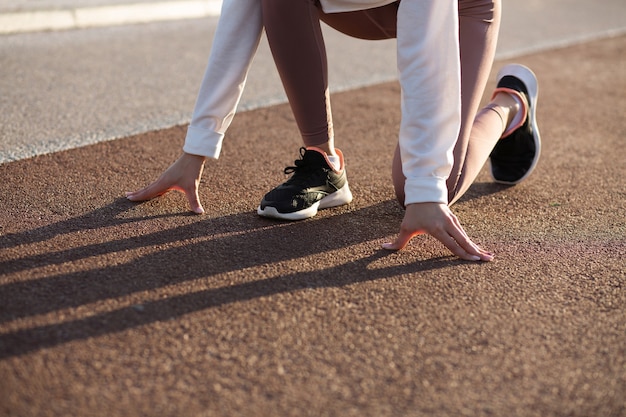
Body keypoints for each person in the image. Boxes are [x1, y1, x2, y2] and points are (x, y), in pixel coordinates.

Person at [126, 0, 541, 262]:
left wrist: (427, 187)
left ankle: (510, 105)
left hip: (458, 7)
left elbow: (425, 47)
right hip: (363, 7)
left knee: (423, 187)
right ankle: (322, 163)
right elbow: (242, 11)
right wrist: (196, 149)